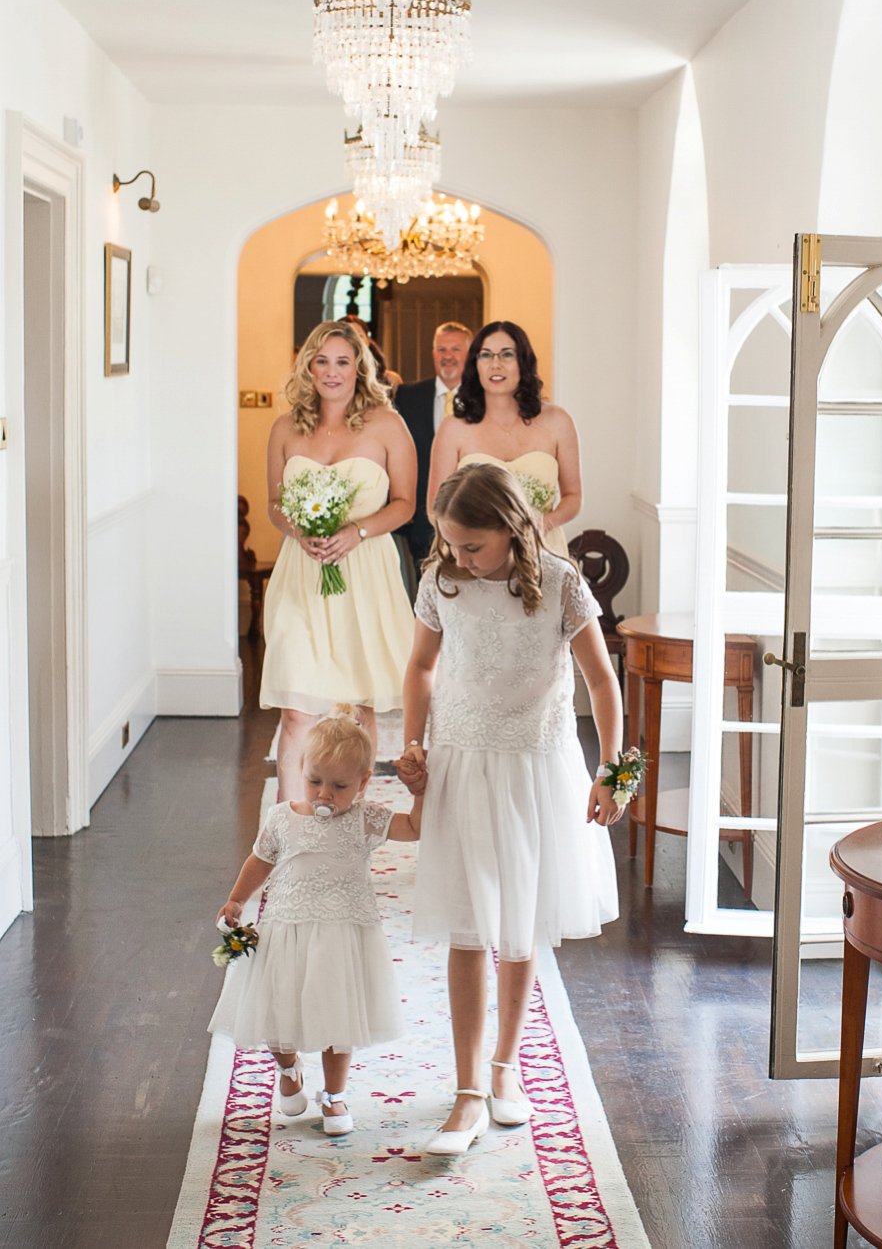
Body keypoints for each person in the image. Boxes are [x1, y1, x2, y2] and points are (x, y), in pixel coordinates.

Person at [397, 463, 622, 1155]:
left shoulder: (560, 583)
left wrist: (616, 771)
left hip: (535, 763)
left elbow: (601, 681)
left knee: (521, 920)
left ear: (512, 529)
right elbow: (422, 667)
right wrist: (412, 744)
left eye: (473, 546)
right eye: (451, 544)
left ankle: (504, 1066)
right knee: (467, 925)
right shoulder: (443, 581)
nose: (459, 557)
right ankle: (466, 1088)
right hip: (462, 756)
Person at [208, 707, 423, 1131]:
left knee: (336, 1018)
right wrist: (236, 899)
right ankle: (289, 1070)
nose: (325, 794)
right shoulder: (283, 818)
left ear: (362, 783)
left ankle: (335, 1095)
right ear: (300, 771)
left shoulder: (366, 818)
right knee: (275, 1010)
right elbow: (260, 859)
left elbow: (416, 827)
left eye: (340, 786)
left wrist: (419, 791)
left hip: (341, 937)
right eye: (315, 781)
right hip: (286, 930)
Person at [260, 320, 415, 800]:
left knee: (359, 704)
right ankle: (289, 829)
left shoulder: (387, 424)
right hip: (302, 574)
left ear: (358, 368)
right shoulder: (285, 427)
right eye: (322, 360)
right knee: (296, 709)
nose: (331, 371)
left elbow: (406, 503)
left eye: (342, 362)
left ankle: (353, 817)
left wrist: (356, 532)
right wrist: (299, 529)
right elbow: (274, 503)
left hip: (366, 573)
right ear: (308, 365)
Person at [426, 321, 582, 557]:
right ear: (475, 364)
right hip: (472, 557)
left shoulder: (558, 422)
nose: (495, 364)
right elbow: (435, 508)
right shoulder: (453, 428)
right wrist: (476, 541)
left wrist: (538, 528)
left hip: (541, 551)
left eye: (507, 355)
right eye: (486, 355)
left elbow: (573, 497)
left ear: (524, 362)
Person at [394, 322, 472, 576]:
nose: (447, 356)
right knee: (425, 588)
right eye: (441, 349)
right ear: (433, 354)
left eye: (455, 349)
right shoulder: (407, 396)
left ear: (469, 355)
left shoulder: (484, 398)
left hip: (472, 512)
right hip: (420, 519)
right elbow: (396, 455)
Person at [345, 310, 401, 395]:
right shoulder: (329, 380)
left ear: (367, 340)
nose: (353, 342)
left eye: (359, 336)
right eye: (346, 337)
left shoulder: (390, 380)